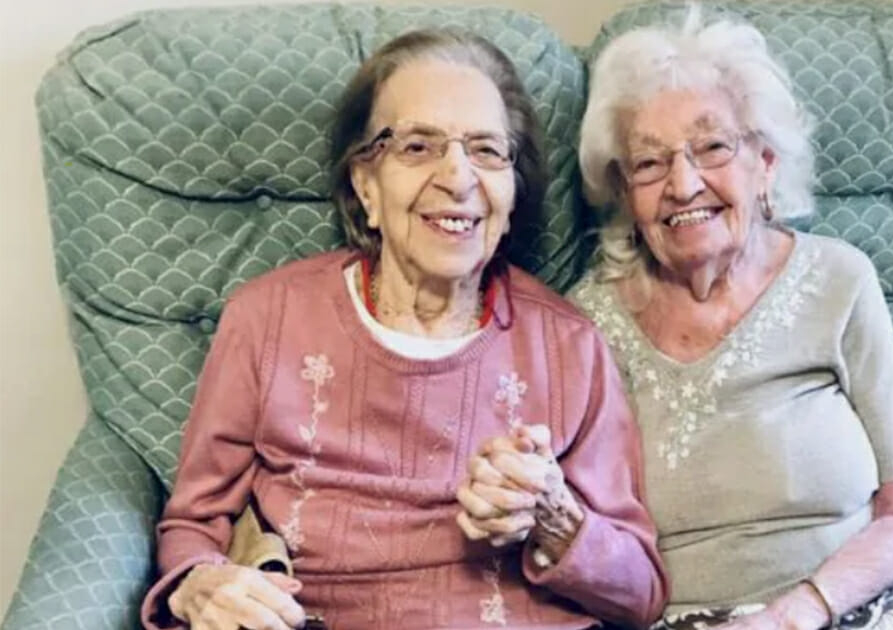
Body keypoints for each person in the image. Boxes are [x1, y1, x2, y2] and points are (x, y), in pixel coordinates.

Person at [141, 29, 667, 630]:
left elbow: (642, 592)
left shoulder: (568, 344)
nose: (458, 177)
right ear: (365, 185)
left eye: (487, 151)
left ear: (512, 193)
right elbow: (193, 524)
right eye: (418, 146)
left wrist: (555, 517)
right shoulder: (268, 318)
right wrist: (201, 583)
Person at [570, 12, 893, 630]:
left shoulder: (839, 280)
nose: (683, 184)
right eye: (649, 163)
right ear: (624, 192)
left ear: (766, 163)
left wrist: (795, 614)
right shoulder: (583, 324)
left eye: (712, 147)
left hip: (864, 596)